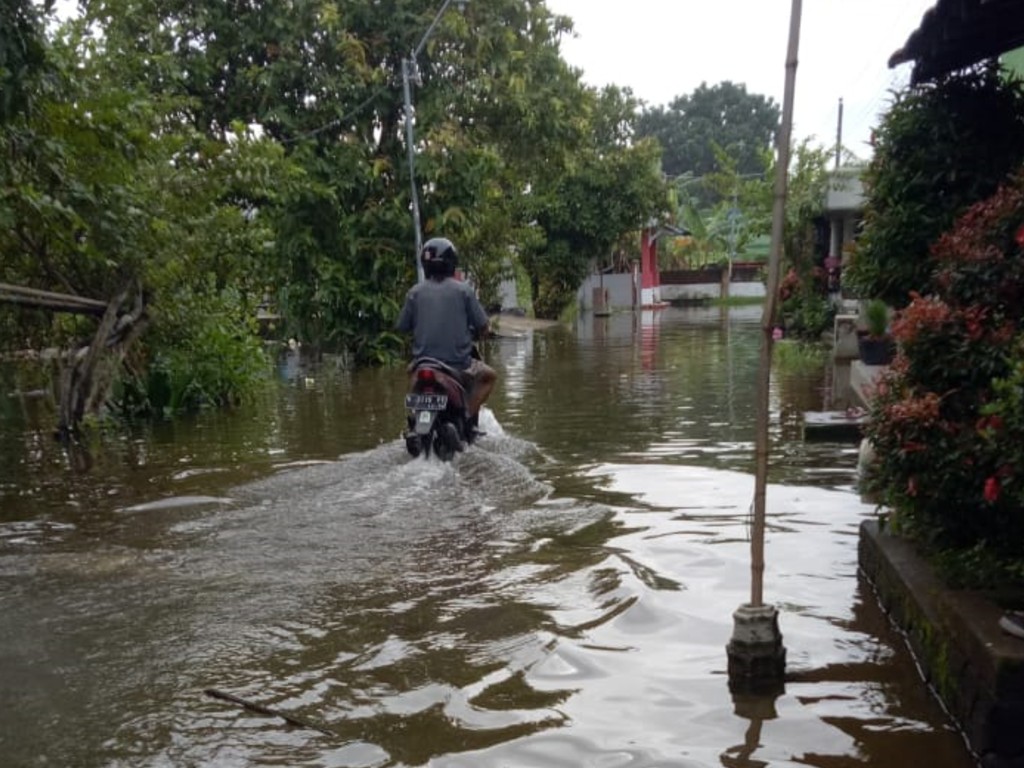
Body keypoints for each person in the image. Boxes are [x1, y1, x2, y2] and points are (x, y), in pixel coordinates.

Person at [396, 237, 497, 425]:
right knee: (489, 375)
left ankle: (414, 414)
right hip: (458, 364)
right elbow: (483, 326)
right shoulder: (464, 291)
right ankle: (467, 414)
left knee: (410, 370)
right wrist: (485, 331)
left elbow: (402, 326)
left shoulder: (414, 292)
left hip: (423, 363)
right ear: (451, 263)